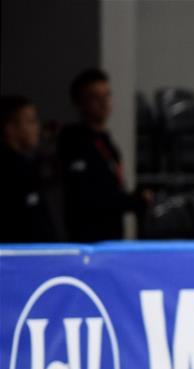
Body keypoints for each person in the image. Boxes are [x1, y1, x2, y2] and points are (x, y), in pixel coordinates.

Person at [58, 68, 144, 242]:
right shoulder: (74, 142)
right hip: (86, 237)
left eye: (107, 96)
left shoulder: (107, 143)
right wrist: (130, 201)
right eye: (96, 97)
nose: (104, 103)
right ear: (80, 102)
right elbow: (89, 196)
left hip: (112, 234)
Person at [0, 96, 57, 242]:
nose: (37, 128)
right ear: (10, 128)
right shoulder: (9, 171)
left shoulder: (28, 165)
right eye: (31, 122)